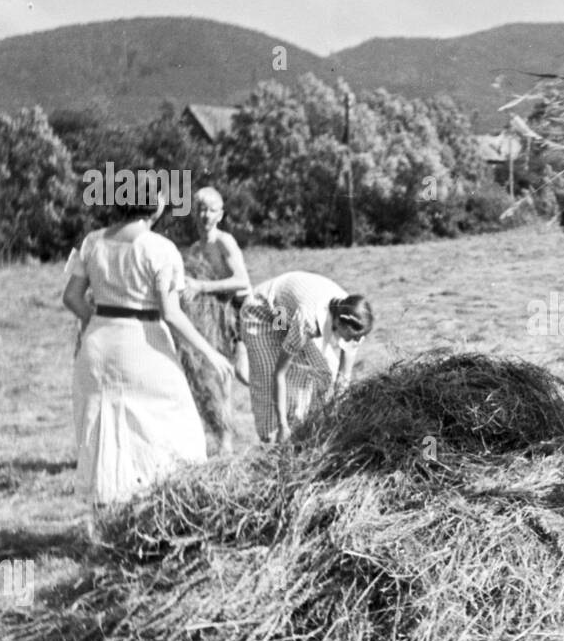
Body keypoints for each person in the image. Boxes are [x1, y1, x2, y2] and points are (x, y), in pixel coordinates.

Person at [62, 194, 235, 510]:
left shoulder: (91, 242)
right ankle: (162, 507)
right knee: (176, 423)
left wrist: (96, 320)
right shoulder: (160, 248)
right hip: (144, 345)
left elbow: (72, 297)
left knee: (104, 429)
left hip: (97, 345)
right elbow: (172, 313)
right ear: (153, 207)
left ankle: (110, 514)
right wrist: (210, 352)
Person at [240, 272, 373, 443]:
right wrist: (282, 425)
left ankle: (311, 432)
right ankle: (274, 440)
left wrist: (339, 418)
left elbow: (342, 379)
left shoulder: (353, 313)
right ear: (339, 324)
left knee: (325, 375)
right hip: (264, 311)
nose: (356, 341)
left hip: (287, 309)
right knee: (270, 373)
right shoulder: (309, 320)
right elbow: (279, 374)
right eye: (353, 337)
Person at [184, 187, 251, 386]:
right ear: (194, 213)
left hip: (240, 308)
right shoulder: (196, 249)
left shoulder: (224, 242)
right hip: (216, 309)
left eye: (212, 210)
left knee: (241, 371)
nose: (206, 215)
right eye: (201, 209)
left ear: (220, 215)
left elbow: (242, 281)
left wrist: (201, 286)